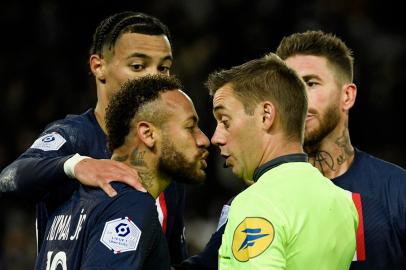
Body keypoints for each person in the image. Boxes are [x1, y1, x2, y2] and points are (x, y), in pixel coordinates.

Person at [0, 11, 188, 264]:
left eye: (163, 68)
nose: (155, 79)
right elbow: (9, 179)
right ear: (98, 66)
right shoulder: (74, 135)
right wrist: (75, 165)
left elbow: (173, 259)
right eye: (138, 66)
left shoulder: (165, 160)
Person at [34, 75, 210, 269]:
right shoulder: (131, 206)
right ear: (148, 134)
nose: (203, 139)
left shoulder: (70, 202)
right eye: (190, 127)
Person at [206, 53, 358, 269]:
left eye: (225, 121)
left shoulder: (256, 203)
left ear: (266, 115)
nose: (216, 138)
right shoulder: (342, 201)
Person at [275, 30, 406, 270]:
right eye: (288, 87)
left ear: (347, 96)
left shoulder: (398, 190)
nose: (296, 99)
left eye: (311, 83)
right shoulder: (259, 200)